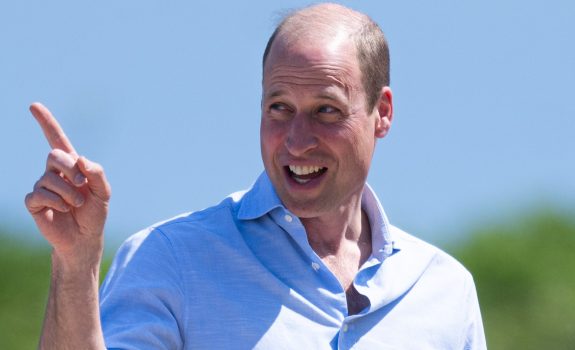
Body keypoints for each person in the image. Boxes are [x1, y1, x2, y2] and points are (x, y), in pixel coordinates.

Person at [26, 3, 486, 349]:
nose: (297, 140)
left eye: (326, 110)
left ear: (381, 113)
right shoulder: (170, 260)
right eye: (279, 108)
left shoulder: (445, 289)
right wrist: (76, 264)